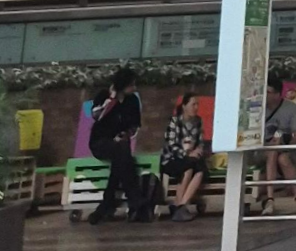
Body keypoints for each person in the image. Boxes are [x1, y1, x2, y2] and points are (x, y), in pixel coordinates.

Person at [86, 67, 147, 225]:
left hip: (121, 143)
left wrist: (124, 134)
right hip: (100, 142)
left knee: (121, 155)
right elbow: (97, 116)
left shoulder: (133, 100)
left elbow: (134, 125)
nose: (134, 88)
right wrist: (112, 99)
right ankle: (135, 202)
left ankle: (107, 203)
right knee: (123, 154)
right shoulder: (103, 95)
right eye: (131, 85)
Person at [259, 74, 296, 215]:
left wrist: (286, 145)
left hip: (283, 147)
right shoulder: (258, 108)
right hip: (261, 149)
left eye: (268, 92)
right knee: (273, 152)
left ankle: (275, 199)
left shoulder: (290, 108)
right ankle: (293, 198)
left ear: (277, 94)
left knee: (282, 158)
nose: (265, 96)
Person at [159, 90, 209, 221]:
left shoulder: (198, 121)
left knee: (199, 169)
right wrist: (187, 153)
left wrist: (198, 151)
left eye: (197, 104)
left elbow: (200, 142)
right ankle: (179, 206)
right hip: (172, 159)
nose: (196, 107)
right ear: (184, 106)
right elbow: (171, 145)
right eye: (193, 104)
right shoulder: (175, 122)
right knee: (188, 167)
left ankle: (181, 205)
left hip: (191, 159)